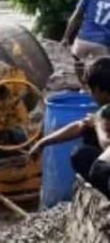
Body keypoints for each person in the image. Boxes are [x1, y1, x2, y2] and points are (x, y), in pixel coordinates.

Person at [30, 56, 110, 197]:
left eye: (92, 91)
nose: (91, 96)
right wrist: (43, 142)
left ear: (99, 90)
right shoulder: (105, 110)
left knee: (85, 158)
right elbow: (79, 126)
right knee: (87, 137)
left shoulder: (104, 114)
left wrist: (99, 125)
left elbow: (107, 146)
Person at [62, 0, 110, 82]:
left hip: (83, 39)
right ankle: (94, 87)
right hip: (102, 43)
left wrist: (66, 37)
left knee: (78, 61)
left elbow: (76, 17)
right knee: (102, 72)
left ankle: (82, 84)